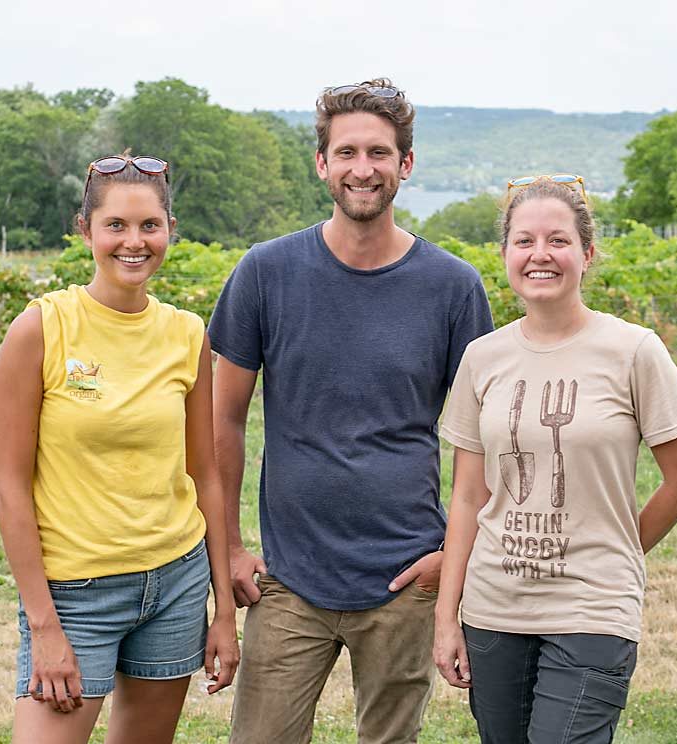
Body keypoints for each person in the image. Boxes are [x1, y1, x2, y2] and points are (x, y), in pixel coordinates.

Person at [209, 79, 495, 744]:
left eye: (377, 152)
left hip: (406, 579)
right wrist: (227, 547)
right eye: (346, 153)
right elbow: (221, 421)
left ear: (405, 164)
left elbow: (487, 436)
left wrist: (453, 554)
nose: (361, 168)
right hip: (286, 580)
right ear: (322, 164)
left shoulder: (453, 287)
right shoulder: (266, 273)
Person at [433, 175, 677, 744]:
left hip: (593, 607)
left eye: (557, 241)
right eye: (524, 241)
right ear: (505, 254)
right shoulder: (482, 359)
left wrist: (618, 550)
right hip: (494, 609)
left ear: (586, 253)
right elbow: (467, 495)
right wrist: (446, 617)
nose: (540, 255)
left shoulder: (633, 351)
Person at [0, 154, 239, 744]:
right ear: (86, 231)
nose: (134, 242)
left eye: (150, 226)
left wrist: (224, 612)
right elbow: (9, 487)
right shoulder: (42, 328)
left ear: (170, 230)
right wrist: (44, 625)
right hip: (76, 595)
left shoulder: (186, 333)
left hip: (174, 585)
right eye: (116, 226)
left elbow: (206, 475)